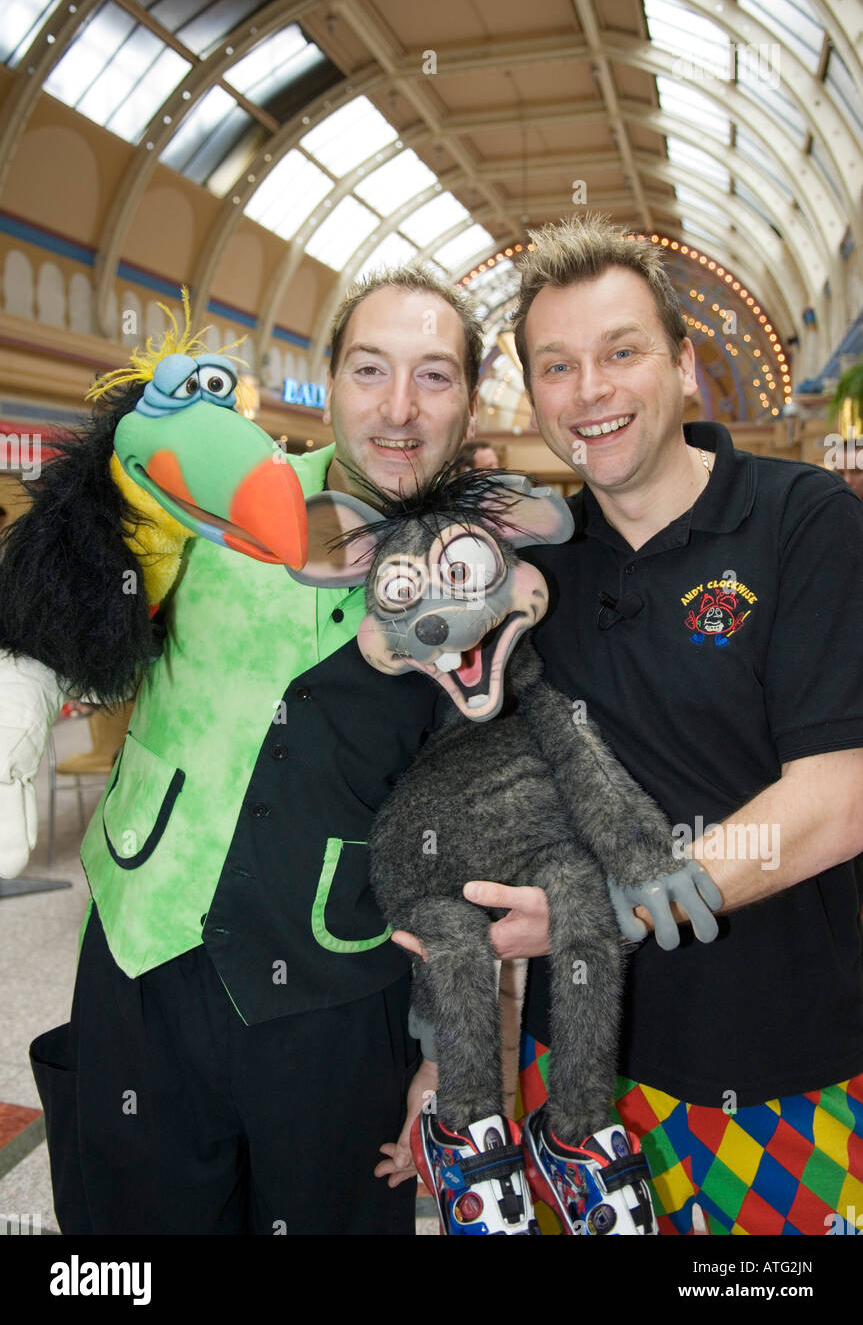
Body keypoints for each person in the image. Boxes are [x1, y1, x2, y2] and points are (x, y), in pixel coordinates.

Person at [388, 216, 863, 1236]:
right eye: (555, 365)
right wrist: (448, 1051)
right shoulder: (532, 576)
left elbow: (833, 802)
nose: (588, 390)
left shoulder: (802, 520)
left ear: (684, 367)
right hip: (577, 1083)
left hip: (779, 1064)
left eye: (619, 351)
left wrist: (597, 909)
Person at [10, 264, 481, 1236]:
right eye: (368, 370)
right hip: (146, 959)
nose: (398, 409)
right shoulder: (214, 500)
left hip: (340, 997)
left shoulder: (484, 578)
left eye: (434, 376)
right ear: (327, 381)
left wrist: (447, 1049)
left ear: (471, 403)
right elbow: (77, 612)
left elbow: (471, 837)